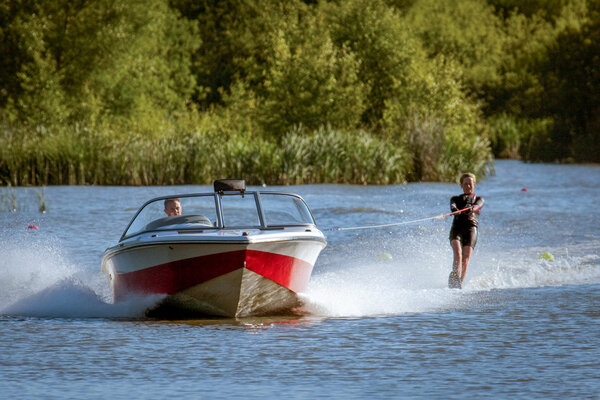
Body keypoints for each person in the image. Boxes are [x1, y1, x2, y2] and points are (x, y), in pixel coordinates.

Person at [448, 173, 484, 289]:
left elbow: (478, 206)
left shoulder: (479, 199)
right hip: (457, 229)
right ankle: (455, 278)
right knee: (457, 253)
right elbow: (453, 206)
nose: (468, 186)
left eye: (470, 184)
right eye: (465, 184)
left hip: (471, 229)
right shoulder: (455, 199)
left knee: (465, 259)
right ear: (461, 185)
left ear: (474, 185)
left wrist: (471, 209)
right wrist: (455, 210)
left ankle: (459, 284)